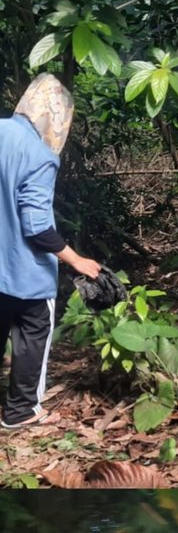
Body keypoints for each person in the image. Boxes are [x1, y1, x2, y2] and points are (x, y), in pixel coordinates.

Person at [1, 73, 103, 429]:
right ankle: (21, 412)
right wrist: (78, 261)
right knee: (33, 332)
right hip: (24, 271)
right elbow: (37, 226)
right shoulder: (40, 155)